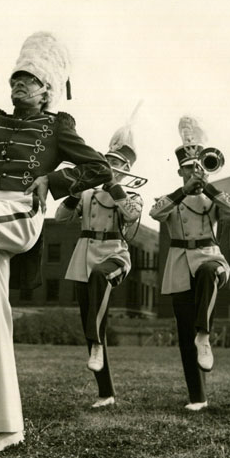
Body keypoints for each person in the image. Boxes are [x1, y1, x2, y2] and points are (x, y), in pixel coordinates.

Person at [0, 31, 112, 454]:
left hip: (20, 214)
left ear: (47, 90)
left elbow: (99, 168)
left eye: (28, 80)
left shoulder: (56, 126)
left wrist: (54, 179)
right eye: (15, 79)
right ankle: (8, 428)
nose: (18, 85)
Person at [150, 116, 230, 411]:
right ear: (180, 171)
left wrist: (209, 187)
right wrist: (184, 191)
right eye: (188, 169)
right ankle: (197, 397)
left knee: (209, 272)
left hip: (210, 256)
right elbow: (155, 213)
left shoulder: (213, 198)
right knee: (183, 330)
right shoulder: (171, 198)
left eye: (198, 168)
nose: (194, 173)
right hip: (179, 265)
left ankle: (205, 333)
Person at [54, 118, 143, 409]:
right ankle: (106, 393)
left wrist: (114, 187)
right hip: (84, 255)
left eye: (116, 162)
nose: (109, 164)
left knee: (100, 278)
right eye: (107, 160)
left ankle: (96, 344)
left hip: (114, 253)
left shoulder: (132, 195)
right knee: (92, 322)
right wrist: (74, 194)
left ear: (126, 169)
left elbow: (130, 218)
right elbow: (60, 219)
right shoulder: (88, 192)